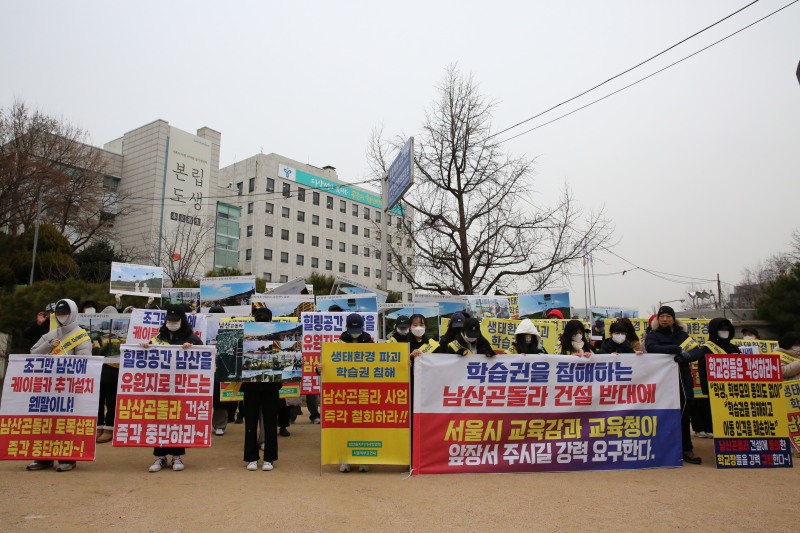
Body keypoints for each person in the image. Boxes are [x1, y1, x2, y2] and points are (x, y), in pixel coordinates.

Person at [27, 299, 92, 472]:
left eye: (66, 313)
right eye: (60, 314)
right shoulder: (51, 334)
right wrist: (48, 346)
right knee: (45, 423)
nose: (62, 317)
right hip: (48, 388)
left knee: (66, 424)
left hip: (69, 388)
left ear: (73, 313)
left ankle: (68, 458)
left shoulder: (81, 336)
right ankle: (43, 457)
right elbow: (33, 353)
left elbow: (84, 364)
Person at [144, 304, 203, 472]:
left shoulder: (191, 337)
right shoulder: (159, 336)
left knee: (177, 419)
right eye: (169, 320)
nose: (172, 323)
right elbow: (148, 355)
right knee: (160, 419)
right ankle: (160, 456)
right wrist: (145, 348)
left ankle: (177, 455)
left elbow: (204, 355)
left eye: (175, 320)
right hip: (161, 387)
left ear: (182, 320)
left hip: (180, 387)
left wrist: (192, 350)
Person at [644, 305, 705, 465]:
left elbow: (698, 351)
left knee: (684, 411)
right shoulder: (653, 335)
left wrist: (686, 356)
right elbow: (651, 348)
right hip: (662, 381)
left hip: (682, 379)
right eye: (662, 316)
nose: (665, 319)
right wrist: (674, 350)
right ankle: (665, 448)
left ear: (673, 318)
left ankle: (686, 448)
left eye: (668, 316)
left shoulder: (682, 335)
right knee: (664, 413)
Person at [318, 313, 374, 472]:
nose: (355, 332)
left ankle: (363, 459)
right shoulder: (337, 344)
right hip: (344, 393)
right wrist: (318, 368)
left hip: (365, 391)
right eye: (352, 329)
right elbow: (325, 367)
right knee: (344, 426)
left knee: (364, 427)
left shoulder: (371, 343)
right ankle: (344, 460)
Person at [242, 307, 280, 471]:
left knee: (271, 423)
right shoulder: (245, 336)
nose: (261, 319)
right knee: (250, 423)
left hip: (271, 386)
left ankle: (269, 458)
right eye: (259, 317)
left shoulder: (277, 337)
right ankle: (251, 457)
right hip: (250, 386)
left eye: (264, 317)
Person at [694, 318, 740, 438]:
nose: (725, 331)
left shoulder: (734, 349)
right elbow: (702, 372)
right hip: (714, 390)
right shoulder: (706, 349)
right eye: (721, 329)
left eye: (727, 329)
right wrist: (706, 389)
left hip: (734, 389)